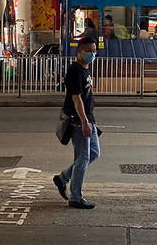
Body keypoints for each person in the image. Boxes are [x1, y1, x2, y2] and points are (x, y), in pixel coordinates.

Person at [53, 37, 100, 209]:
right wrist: (84, 122)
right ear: (80, 51)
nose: (93, 54)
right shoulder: (75, 71)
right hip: (80, 121)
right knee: (83, 158)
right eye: (89, 51)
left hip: (88, 119)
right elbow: (76, 98)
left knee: (94, 153)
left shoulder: (85, 69)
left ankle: (63, 178)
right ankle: (75, 197)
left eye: (95, 50)